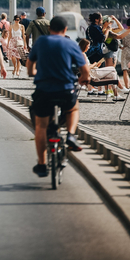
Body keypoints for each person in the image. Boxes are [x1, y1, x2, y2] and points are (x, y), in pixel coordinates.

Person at [26, 16, 90, 177]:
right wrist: (84, 78)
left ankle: (41, 164)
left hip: (44, 91)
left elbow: (29, 66)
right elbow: (84, 68)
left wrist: (33, 73)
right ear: (66, 29)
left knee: (41, 126)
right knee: (73, 108)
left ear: (49, 29)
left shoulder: (41, 42)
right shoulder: (70, 43)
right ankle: (70, 135)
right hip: (65, 90)